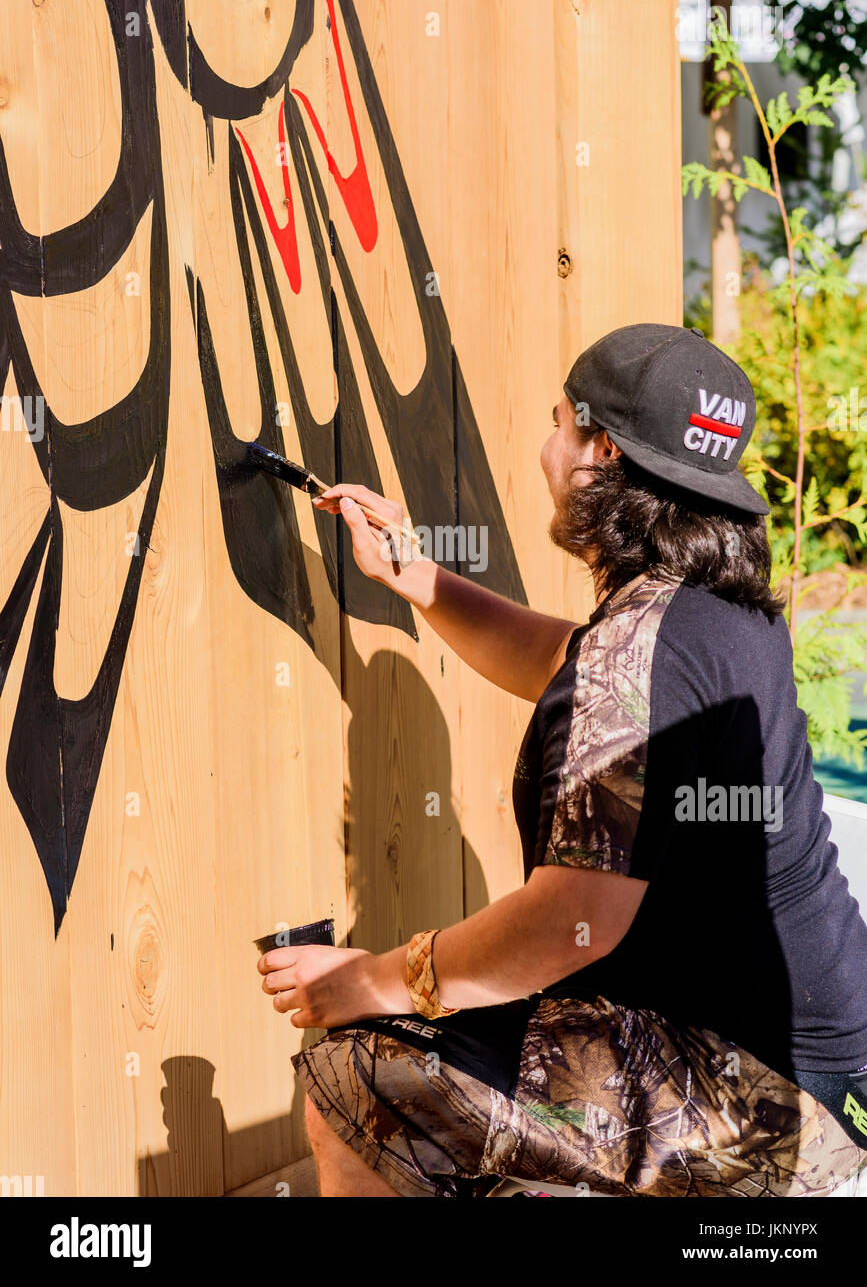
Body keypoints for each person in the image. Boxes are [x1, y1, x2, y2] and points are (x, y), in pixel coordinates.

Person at [257, 322, 867, 1198]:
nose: (545, 445)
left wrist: (372, 979)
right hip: (824, 1075)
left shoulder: (640, 648)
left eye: (558, 422)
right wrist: (417, 575)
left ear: (600, 453)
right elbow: (575, 665)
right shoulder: (719, 611)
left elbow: (565, 923)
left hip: (755, 1106)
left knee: (360, 1087)